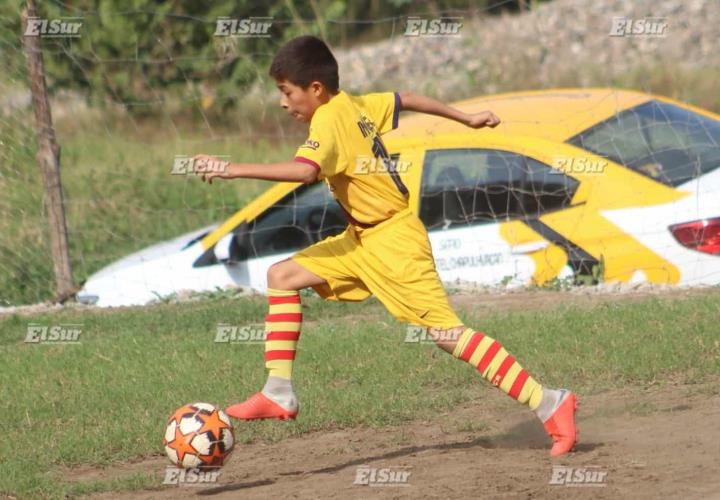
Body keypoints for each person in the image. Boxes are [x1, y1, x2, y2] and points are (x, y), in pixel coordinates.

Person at [194, 35, 577, 457]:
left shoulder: (329, 120)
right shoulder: (353, 104)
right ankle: (279, 390)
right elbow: (406, 97)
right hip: (363, 239)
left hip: (394, 243)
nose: (284, 103)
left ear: (315, 89)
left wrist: (231, 168)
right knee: (281, 276)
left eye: (287, 92)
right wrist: (464, 117)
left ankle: (550, 402)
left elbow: (305, 172)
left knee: (448, 335)